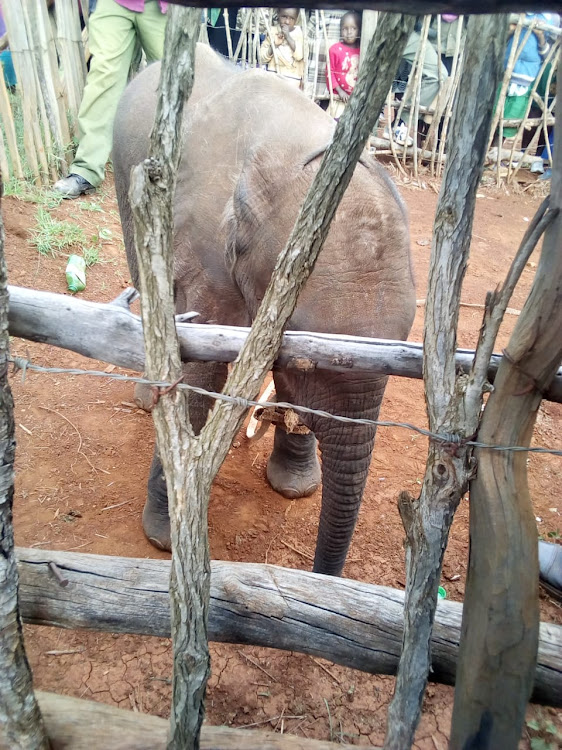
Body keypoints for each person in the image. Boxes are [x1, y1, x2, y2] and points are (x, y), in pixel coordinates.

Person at [53, 0, 168, 199]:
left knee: (173, 78)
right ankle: (86, 169)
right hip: (115, 2)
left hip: (166, 5)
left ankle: (183, 169)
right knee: (104, 76)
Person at [326, 10, 361, 119]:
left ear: (359, 31)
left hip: (356, 101)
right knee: (334, 124)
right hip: (338, 99)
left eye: (353, 28)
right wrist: (340, 92)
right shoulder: (335, 50)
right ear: (340, 30)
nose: (349, 32)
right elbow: (329, 73)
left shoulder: (363, 50)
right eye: (345, 28)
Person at [259, 8, 304, 88]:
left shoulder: (300, 34)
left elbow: (300, 56)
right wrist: (274, 45)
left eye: (291, 18)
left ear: (296, 18)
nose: (287, 21)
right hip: (273, 78)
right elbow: (262, 57)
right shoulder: (272, 31)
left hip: (292, 81)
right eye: (284, 17)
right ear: (278, 14)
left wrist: (288, 37)